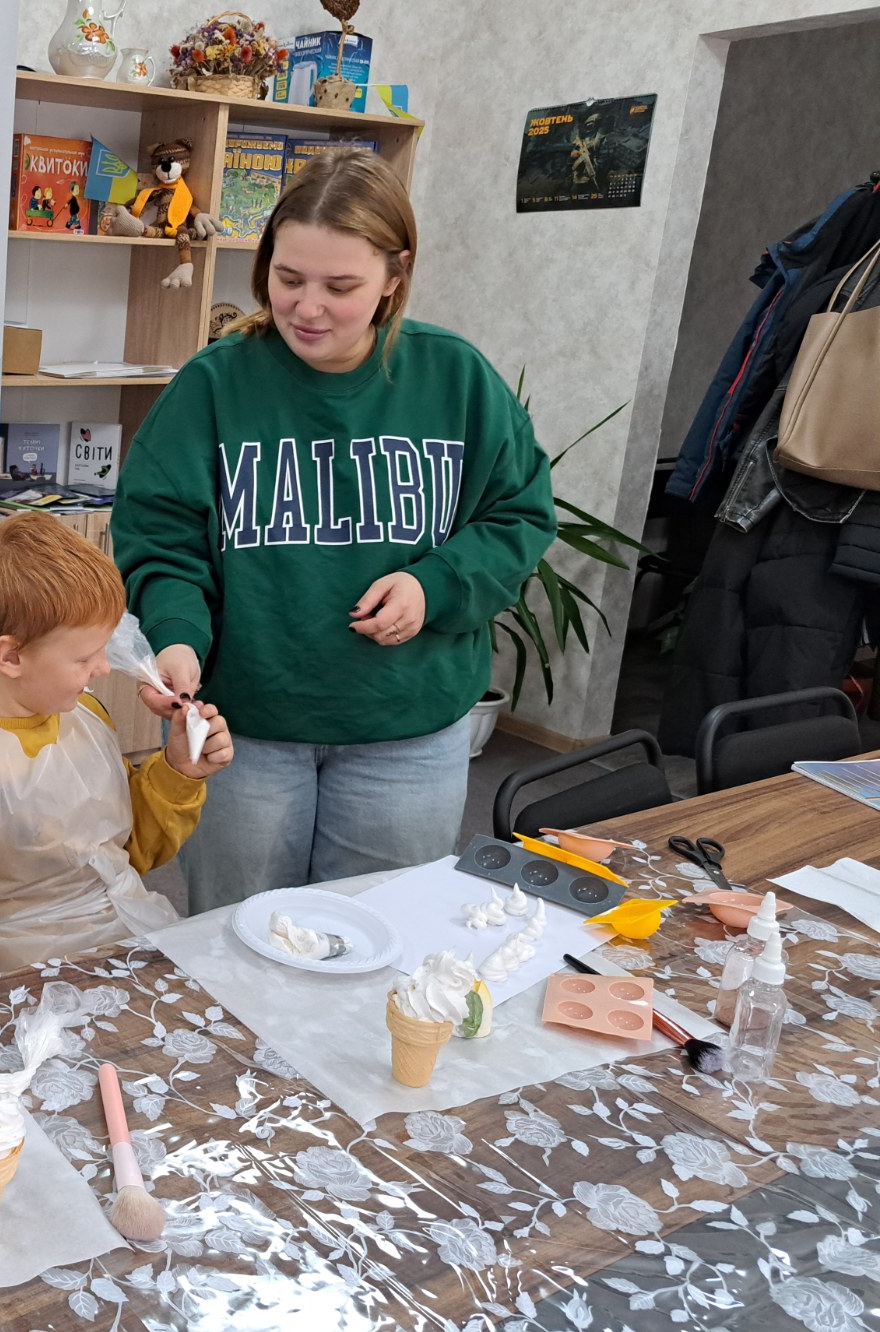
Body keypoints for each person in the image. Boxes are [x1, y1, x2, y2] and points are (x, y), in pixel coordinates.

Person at [113, 148, 556, 907]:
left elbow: (519, 513)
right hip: (241, 731)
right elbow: (161, 537)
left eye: (340, 287)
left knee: (380, 939)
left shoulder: (456, 378)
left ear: (395, 275)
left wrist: (436, 586)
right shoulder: (213, 385)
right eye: (288, 279)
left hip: (406, 732)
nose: (307, 308)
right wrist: (176, 636)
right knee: (238, 938)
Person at [0, 513, 232, 998]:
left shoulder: (86, 718)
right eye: (84, 658)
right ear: (11, 656)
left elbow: (124, 854)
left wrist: (177, 771)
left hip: (121, 941)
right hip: (11, 986)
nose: (103, 669)